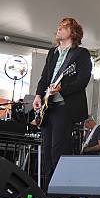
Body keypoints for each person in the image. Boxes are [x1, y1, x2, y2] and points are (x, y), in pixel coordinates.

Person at [33, 17, 92, 186]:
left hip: (64, 107)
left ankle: (60, 190)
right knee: (47, 151)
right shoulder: (53, 52)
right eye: (58, 27)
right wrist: (38, 95)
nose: (58, 29)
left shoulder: (81, 54)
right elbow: (45, 77)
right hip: (48, 106)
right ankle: (47, 189)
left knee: (58, 149)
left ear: (73, 32)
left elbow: (83, 80)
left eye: (63, 27)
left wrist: (61, 89)